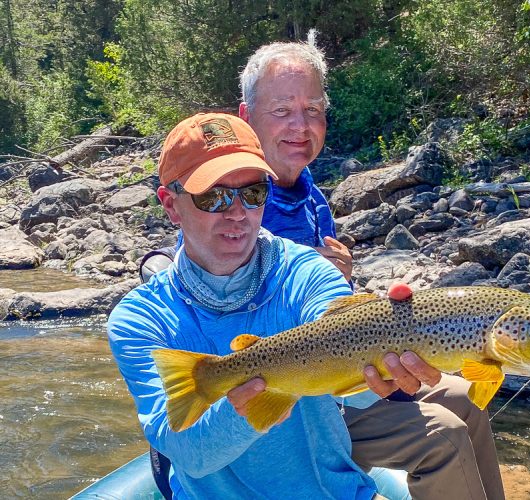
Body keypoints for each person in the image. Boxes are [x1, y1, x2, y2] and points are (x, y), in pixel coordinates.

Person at [138, 34, 505, 499]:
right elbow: (205, 263)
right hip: (284, 382)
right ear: (247, 116)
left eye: (313, 110)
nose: (238, 212)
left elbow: (320, 294)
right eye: (283, 111)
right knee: (442, 432)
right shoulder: (227, 226)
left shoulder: (305, 191)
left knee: (464, 403)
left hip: (322, 367)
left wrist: (359, 308)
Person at [108, 112, 380, 499]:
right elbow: (191, 455)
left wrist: (383, 360)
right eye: (214, 196)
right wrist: (251, 401)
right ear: (170, 205)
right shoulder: (140, 319)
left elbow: (360, 392)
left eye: (253, 193)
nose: (237, 213)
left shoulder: (306, 272)